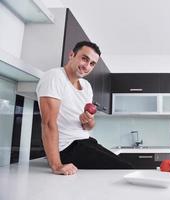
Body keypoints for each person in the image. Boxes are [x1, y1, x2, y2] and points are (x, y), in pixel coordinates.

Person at [36, 41, 133, 175]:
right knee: (125, 171)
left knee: (127, 167)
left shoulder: (86, 86)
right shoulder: (54, 77)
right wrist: (57, 165)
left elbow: (88, 127)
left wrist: (88, 120)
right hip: (66, 148)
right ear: (72, 55)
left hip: (86, 142)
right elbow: (48, 123)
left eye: (92, 63)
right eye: (84, 59)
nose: (86, 66)